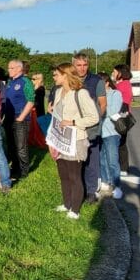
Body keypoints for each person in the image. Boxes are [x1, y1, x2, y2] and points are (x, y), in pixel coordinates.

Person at [49, 63, 99, 219]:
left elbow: (94, 117)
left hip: (76, 140)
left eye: (56, 74)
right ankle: (67, 203)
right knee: (63, 174)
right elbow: (58, 114)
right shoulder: (58, 92)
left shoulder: (81, 93)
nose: (54, 77)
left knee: (74, 176)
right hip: (60, 139)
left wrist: (73, 122)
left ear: (65, 75)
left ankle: (75, 210)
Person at [73, 52, 106, 203]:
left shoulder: (96, 81)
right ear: (74, 65)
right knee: (78, 161)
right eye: (79, 65)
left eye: (85, 65)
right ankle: (80, 189)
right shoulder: (70, 80)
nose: (82, 68)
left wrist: (94, 121)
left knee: (92, 161)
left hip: (91, 129)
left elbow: (103, 104)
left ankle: (91, 191)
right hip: (74, 129)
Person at [4, 60, 35, 180]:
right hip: (9, 118)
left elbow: (31, 100)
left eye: (11, 68)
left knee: (21, 147)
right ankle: (15, 167)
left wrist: (21, 117)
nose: (9, 70)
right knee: (11, 145)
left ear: (19, 69)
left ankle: (24, 171)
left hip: (20, 119)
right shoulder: (10, 82)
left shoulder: (25, 82)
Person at [99, 73, 124, 199]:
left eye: (100, 84)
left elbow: (113, 111)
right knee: (102, 159)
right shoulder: (97, 96)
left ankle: (117, 186)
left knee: (113, 160)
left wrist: (101, 107)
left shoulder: (115, 94)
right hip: (99, 132)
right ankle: (105, 181)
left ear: (107, 83)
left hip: (112, 132)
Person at [112, 64, 133, 175]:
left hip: (121, 118)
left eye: (114, 72)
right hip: (120, 116)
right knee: (120, 143)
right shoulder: (121, 84)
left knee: (121, 143)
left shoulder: (123, 85)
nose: (113, 74)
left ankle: (123, 167)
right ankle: (122, 166)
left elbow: (124, 102)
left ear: (120, 73)